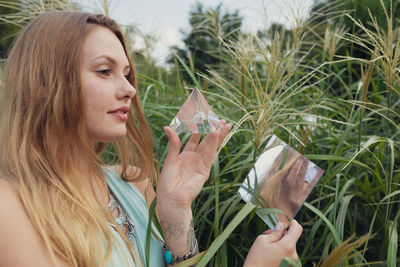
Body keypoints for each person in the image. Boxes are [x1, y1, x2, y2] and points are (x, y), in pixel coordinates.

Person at [0, 11, 302, 267]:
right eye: (105, 71)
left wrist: (176, 211)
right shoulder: (11, 206)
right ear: (45, 82)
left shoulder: (134, 182)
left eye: (127, 74)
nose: (129, 89)